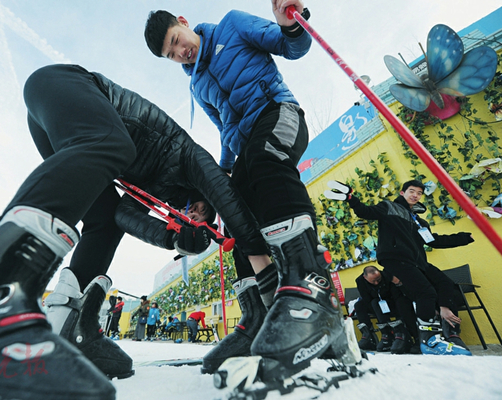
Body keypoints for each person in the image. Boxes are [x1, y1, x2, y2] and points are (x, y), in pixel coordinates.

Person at [0, 63, 271, 399]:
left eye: (195, 217)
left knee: (102, 219)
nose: (193, 213)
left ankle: (72, 327)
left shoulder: (163, 193)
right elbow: (229, 202)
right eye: (200, 210)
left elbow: (123, 217)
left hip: (69, 127)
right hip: (59, 84)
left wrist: (172, 237)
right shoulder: (193, 159)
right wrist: (267, 274)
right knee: (113, 145)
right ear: (203, 195)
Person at [145, 0, 351, 379]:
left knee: (262, 159)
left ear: (184, 22)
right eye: (171, 54)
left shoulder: (232, 26)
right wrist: (214, 189)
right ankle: (261, 313)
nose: (180, 52)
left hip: (278, 114)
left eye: (177, 40)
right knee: (233, 208)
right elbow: (226, 133)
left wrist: (289, 23)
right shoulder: (198, 84)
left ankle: (311, 288)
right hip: (244, 146)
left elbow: (292, 48)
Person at [325, 179, 474, 355]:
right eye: (412, 191)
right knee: (425, 292)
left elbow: (434, 241)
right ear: (403, 193)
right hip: (395, 258)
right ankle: (429, 341)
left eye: (419, 193)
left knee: (445, 283)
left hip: (417, 262)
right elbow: (366, 212)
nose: (415, 195)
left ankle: (451, 334)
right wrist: (351, 198)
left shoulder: (419, 222)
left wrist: (464, 237)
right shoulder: (389, 207)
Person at [354, 266, 418, 354]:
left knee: (402, 302)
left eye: (378, 279)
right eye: (373, 281)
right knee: (359, 305)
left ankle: (410, 336)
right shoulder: (360, 281)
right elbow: (366, 299)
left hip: (392, 302)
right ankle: (372, 336)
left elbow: (396, 294)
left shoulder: (386, 276)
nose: (376, 283)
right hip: (376, 304)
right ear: (365, 277)